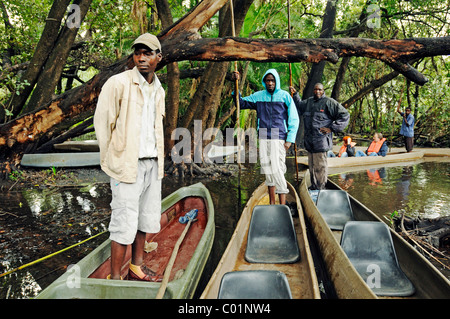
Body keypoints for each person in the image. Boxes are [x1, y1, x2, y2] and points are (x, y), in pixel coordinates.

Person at [94, 33, 165, 281]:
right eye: (138, 53)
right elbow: (102, 124)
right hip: (126, 165)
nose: (141, 58)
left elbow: (157, 128)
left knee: (145, 217)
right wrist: (113, 159)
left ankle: (136, 268)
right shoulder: (118, 83)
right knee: (123, 221)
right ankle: (115, 277)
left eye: (147, 53)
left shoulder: (159, 89)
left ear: (159, 57)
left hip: (152, 164)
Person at [232, 69, 299, 205]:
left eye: (272, 80)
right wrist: (235, 84)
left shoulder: (285, 96)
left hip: (278, 135)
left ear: (276, 82)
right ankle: (272, 203)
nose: (270, 83)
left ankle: (283, 205)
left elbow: (294, 118)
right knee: (267, 167)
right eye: (268, 80)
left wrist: (289, 140)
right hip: (263, 135)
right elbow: (241, 103)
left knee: (278, 168)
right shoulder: (259, 96)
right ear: (264, 82)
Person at [289, 83, 349, 190]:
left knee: (320, 167)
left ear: (323, 91)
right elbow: (299, 105)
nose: (317, 91)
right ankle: (313, 186)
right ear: (313, 91)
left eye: (320, 90)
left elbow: (345, 115)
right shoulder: (309, 102)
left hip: (321, 141)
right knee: (312, 166)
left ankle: (321, 188)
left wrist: (331, 128)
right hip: (309, 142)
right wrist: (295, 94)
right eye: (315, 89)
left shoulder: (329, 103)